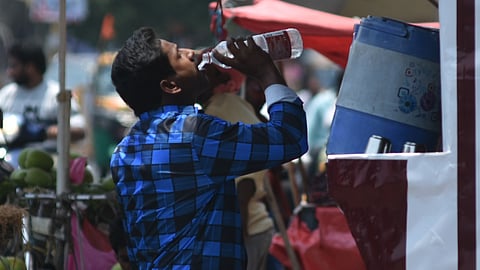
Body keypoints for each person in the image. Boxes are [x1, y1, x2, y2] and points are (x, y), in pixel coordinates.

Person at [109, 26, 308, 269]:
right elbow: (290, 137)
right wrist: (265, 72)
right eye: (179, 55)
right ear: (171, 86)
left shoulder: (123, 152)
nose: (192, 53)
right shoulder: (194, 134)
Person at [198, 66, 275, 270]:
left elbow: (241, 193)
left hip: (245, 228)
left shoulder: (213, 113)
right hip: (259, 226)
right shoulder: (234, 104)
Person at [0, 42, 85, 150]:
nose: (9, 72)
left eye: (14, 66)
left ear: (30, 67)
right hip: (9, 156)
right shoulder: (5, 95)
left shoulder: (57, 95)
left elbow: (80, 131)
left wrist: (44, 132)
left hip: (47, 159)